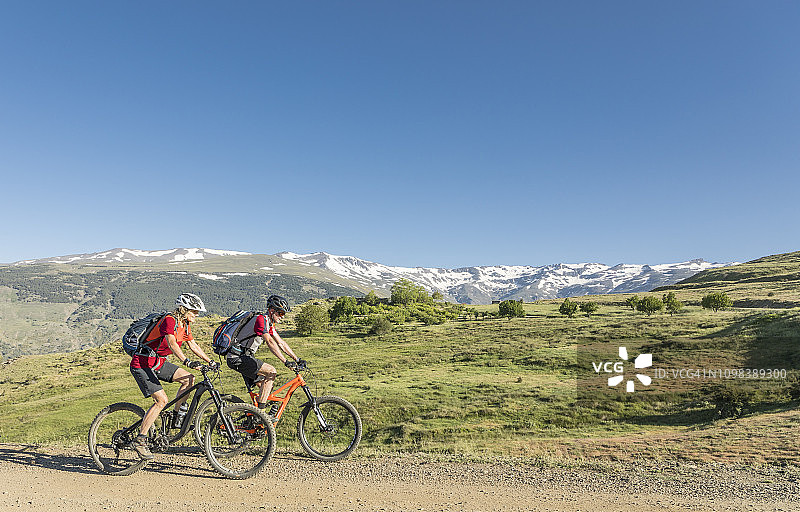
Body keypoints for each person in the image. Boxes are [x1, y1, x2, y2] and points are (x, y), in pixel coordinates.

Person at [129, 292, 217, 460]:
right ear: (184, 309)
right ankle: (140, 440)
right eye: (194, 311)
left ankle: (177, 418)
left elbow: (192, 344)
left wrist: (209, 361)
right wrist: (186, 361)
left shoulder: (185, 325)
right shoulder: (169, 320)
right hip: (142, 363)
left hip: (158, 362)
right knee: (161, 400)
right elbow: (171, 342)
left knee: (188, 379)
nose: (196, 315)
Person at [225, 295, 303, 416]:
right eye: (281, 313)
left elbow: (281, 342)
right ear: (272, 311)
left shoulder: (269, 323)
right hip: (237, 357)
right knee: (271, 372)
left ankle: (254, 419)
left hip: (245, 357)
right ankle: (260, 415)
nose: (283, 317)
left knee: (267, 390)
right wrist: (285, 361)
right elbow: (270, 341)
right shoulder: (261, 319)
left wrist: (297, 359)